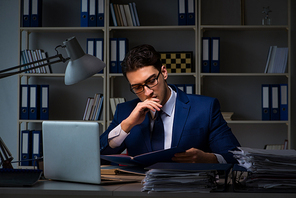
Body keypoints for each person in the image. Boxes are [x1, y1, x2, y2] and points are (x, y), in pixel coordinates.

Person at [100, 44, 240, 164]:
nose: (147, 92)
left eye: (151, 81)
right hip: (141, 193)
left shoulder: (205, 108)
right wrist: (127, 125)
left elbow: (236, 157)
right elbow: (98, 157)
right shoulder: (125, 111)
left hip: (189, 190)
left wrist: (209, 159)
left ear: (164, 72)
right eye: (137, 87)